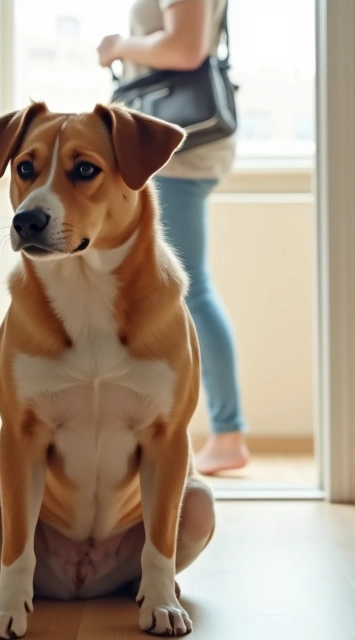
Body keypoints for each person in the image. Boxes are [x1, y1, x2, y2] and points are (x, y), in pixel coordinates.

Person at [97, 0, 249, 475]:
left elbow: (186, 49)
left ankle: (227, 433)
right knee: (182, 288)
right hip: (181, 150)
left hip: (179, 155)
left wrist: (118, 46)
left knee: (190, 289)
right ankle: (207, 432)